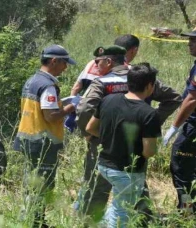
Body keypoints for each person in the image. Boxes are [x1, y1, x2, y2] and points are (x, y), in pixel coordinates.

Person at [74, 45, 182, 222]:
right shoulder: (143, 77)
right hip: (137, 143)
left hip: (104, 143)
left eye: (97, 62)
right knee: (135, 183)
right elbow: (173, 98)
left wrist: (91, 134)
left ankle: (91, 221)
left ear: (109, 61)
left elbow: (85, 109)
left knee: (97, 186)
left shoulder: (102, 82)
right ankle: (143, 220)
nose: (95, 65)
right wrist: (150, 124)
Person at [86, 62, 161, 227]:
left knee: (115, 207)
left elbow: (90, 128)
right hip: (127, 172)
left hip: (104, 165)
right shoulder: (149, 114)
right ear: (150, 85)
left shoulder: (107, 100)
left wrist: (112, 137)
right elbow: (148, 152)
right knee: (122, 214)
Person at [13, 44, 79, 227]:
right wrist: (72, 106)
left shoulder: (33, 80)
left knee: (31, 182)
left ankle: (29, 219)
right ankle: (36, 222)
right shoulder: (48, 85)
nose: (65, 68)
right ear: (54, 61)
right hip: (43, 142)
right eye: (64, 63)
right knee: (42, 185)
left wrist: (62, 103)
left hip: (28, 138)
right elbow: (50, 116)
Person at [65, 34, 140, 133]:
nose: (96, 65)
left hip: (92, 122)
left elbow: (77, 89)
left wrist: (74, 113)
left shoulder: (92, 65)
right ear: (134, 50)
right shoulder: (134, 73)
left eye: (97, 62)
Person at [163, 27, 196, 214]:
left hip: (193, 127)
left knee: (181, 166)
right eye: (189, 40)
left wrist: (174, 128)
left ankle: (187, 210)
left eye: (194, 41)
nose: (189, 44)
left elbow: (192, 99)